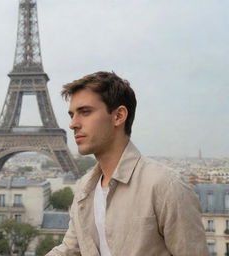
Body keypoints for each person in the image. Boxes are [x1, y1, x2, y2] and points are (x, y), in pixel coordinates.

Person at [46, 71, 209, 256]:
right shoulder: (85, 188)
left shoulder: (165, 186)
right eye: (72, 115)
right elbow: (70, 250)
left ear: (118, 116)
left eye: (85, 112)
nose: (73, 124)